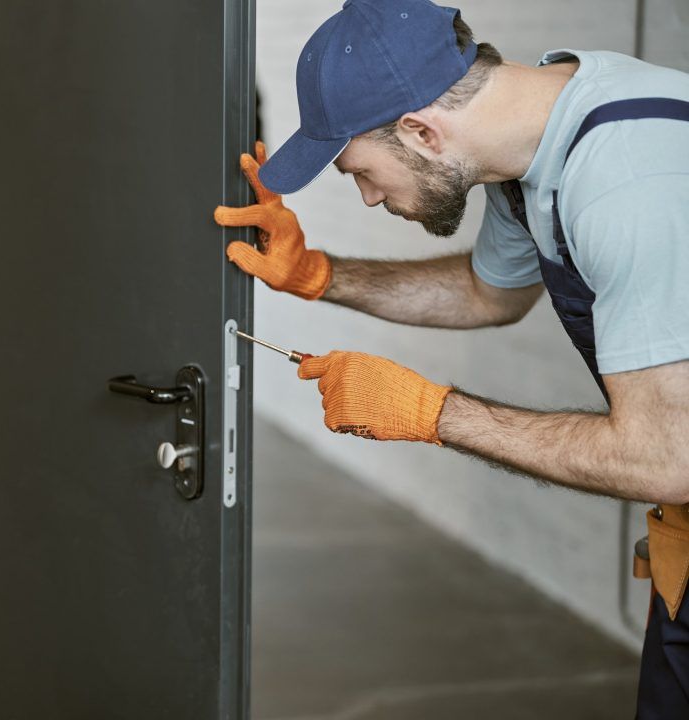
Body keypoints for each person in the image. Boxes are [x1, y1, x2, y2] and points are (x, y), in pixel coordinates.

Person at [213, 0, 689, 715]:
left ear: (421, 130)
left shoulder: (629, 182)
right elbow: (486, 293)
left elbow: (664, 456)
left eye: (359, 172)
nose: (369, 197)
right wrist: (319, 274)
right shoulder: (531, 144)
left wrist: (429, 412)